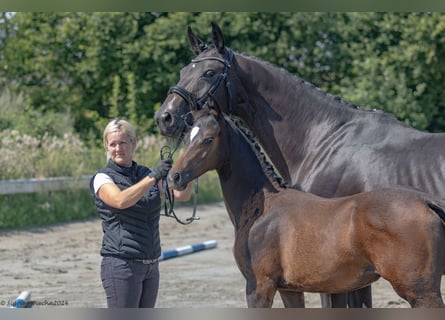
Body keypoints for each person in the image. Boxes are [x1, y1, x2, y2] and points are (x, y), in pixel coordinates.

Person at [90, 118, 192, 308]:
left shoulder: (145, 172)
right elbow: (120, 200)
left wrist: (190, 164)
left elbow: (181, 194)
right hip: (122, 265)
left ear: (133, 143)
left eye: (122, 143)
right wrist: (153, 177)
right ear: (106, 146)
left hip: (151, 265)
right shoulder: (102, 178)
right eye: (112, 144)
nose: (118, 148)